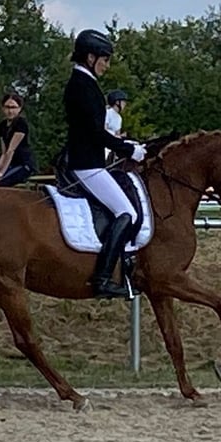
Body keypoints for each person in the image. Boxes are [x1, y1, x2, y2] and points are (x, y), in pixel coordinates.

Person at [64, 29, 146, 299]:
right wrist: (128, 149)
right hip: (86, 164)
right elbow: (95, 134)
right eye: (105, 60)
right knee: (127, 213)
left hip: (88, 159)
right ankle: (102, 278)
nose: (107, 66)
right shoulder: (83, 86)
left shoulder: (84, 83)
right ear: (90, 57)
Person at [0, 93, 37, 187]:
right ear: (2, 108)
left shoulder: (21, 124)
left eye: (13, 107)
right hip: (11, 164)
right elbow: (4, 152)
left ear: (19, 109)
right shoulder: (2, 125)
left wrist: (1, 173)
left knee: (0, 183)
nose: (10, 111)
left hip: (23, 165)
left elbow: (11, 150)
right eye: (7, 107)